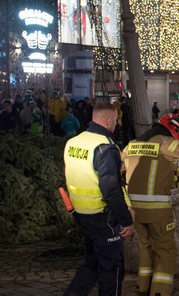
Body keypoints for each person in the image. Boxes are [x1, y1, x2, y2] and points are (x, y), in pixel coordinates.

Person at [123, 114, 179, 296]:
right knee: (165, 251)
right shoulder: (165, 142)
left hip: (135, 209)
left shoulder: (132, 144)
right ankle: (160, 291)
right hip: (157, 209)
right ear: (173, 129)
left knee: (145, 246)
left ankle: (142, 287)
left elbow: (119, 168)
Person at [63, 102, 134, 296]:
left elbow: (68, 174)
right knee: (112, 269)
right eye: (116, 120)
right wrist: (126, 221)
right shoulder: (105, 148)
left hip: (81, 214)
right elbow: (111, 190)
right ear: (109, 120)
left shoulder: (74, 142)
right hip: (103, 218)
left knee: (93, 263)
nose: (117, 123)